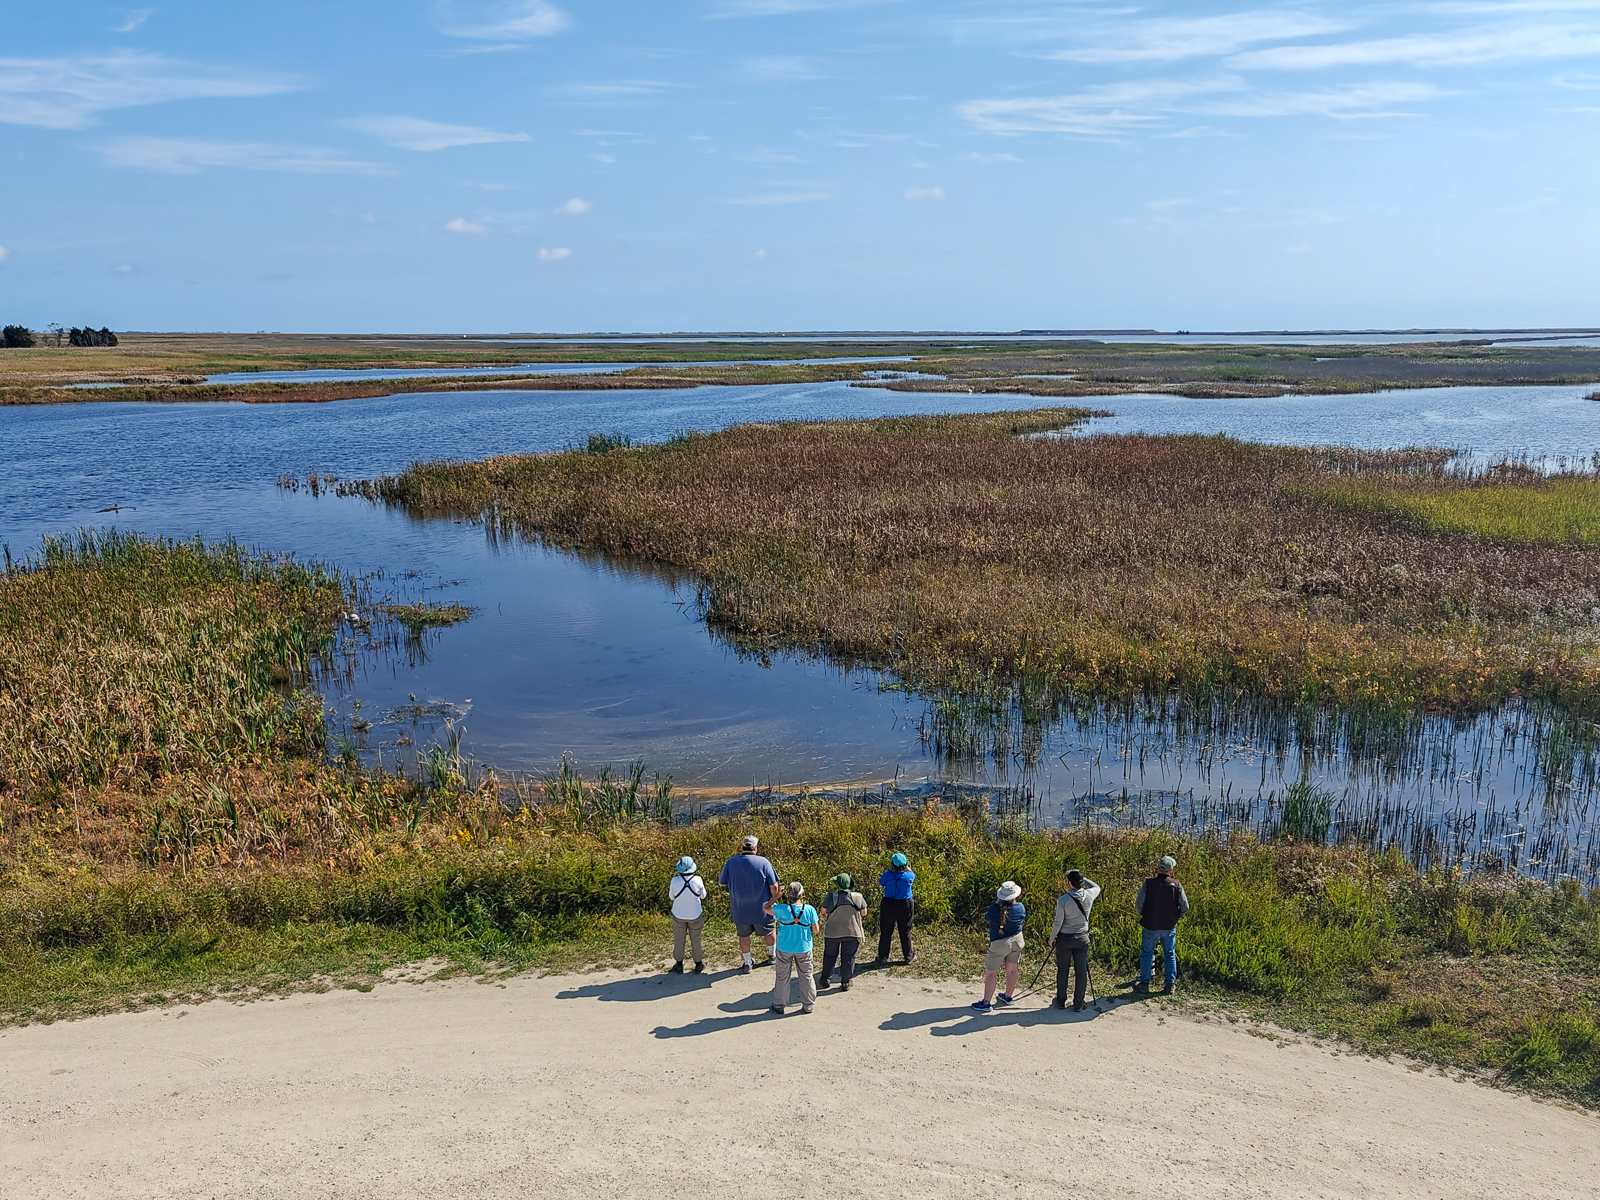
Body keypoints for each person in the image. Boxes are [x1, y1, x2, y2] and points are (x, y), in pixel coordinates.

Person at [718, 834, 780, 974]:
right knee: (769, 931)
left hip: (740, 908)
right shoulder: (764, 862)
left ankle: (747, 963)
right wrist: (773, 900)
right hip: (763, 909)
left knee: (743, 936)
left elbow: (722, 883)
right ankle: (772, 956)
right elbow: (774, 886)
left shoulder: (731, 862)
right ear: (755, 848)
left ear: (742, 847)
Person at [1134, 855, 1190, 995]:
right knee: (1169, 954)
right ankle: (1169, 985)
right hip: (1169, 926)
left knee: (1147, 953)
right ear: (1171, 870)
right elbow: (1185, 907)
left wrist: (1144, 914)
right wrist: (1177, 916)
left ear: (1158, 868)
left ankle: (1145, 983)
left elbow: (1138, 904)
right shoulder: (1177, 885)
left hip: (1150, 925)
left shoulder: (1148, 884)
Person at [1047, 869, 1101, 1011]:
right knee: (1081, 971)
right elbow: (1097, 887)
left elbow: (1058, 922)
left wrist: (1052, 938)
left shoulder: (1063, 900)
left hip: (1065, 938)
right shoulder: (1089, 894)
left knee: (1063, 969)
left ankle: (1061, 1000)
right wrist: (1084, 878)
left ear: (1069, 883)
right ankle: (1078, 1002)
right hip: (1082, 937)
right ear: (1081, 883)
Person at [765, 882, 820, 1015]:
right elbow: (816, 930)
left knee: (783, 976)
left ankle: (779, 1004)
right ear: (802, 894)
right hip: (804, 947)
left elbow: (766, 908)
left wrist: (776, 896)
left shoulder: (782, 909)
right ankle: (808, 1005)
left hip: (785, 947)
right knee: (806, 975)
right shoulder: (809, 909)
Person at [972, 881, 1025, 1012]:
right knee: (1012, 970)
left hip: (999, 944)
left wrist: (997, 903)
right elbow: (1021, 917)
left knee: (991, 974)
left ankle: (986, 1003)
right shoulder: (1020, 907)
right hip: (1017, 940)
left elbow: (988, 917)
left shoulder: (994, 909)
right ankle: (1008, 996)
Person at [818, 873, 867, 991]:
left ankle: (825, 979)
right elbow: (864, 912)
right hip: (852, 931)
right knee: (849, 957)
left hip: (832, 932)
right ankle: (846, 981)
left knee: (830, 956)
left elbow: (823, 911)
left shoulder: (831, 897)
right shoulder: (858, 897)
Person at [667, 856, 708, 975]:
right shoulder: (698, 879)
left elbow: (671, 897)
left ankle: (679, 964)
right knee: (696, 940)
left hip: (678, 914)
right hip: (695, 914)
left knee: (679, 939)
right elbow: (703, 896)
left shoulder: (674, 880)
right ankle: (698, 964)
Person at [875, 852, 916, 964]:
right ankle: (908, 956)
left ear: (892, 864)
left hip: (888, 903)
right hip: (905, 904)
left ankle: (883, 957)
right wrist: (907, 867)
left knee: (886, 931)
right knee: (905, 931)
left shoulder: (888, 875)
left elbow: (881, 883)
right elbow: (912, 874)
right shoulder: (909, 875)